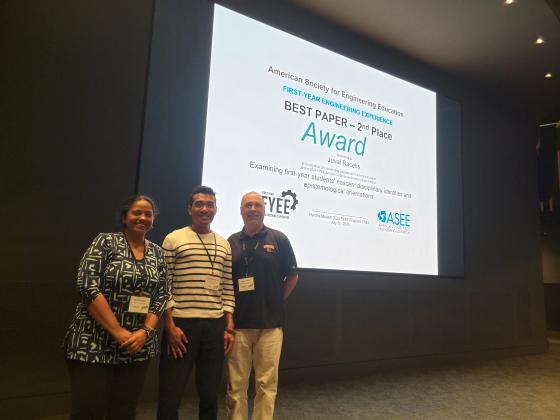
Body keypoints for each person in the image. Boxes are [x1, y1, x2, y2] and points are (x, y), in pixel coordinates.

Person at [64, 195, 169, 420]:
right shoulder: (105, 242)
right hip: (93, 343)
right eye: (136, 213)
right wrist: (117, 331)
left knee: (124, 412)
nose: (142, 217)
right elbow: (87, 285)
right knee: (87, 412)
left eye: (148, 214)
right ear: (124, 217)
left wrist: (145, 332)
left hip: (136, 346)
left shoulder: (158, 253)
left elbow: (161, 295)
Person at [157, 186, 235, 420]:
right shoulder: (173, 238)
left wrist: (228, 325)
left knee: (210, 393)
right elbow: (164, 284)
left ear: (216, 209)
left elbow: (227, 287)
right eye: (199, 204)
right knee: (171, 392)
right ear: (189, 209)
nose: (205, 209)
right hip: (181, 325)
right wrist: (169, 326)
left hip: (214, 326)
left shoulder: (224, 244)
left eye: (210, 204)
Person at [226, 192, 298, 420]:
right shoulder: (231, 242)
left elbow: (292, 276)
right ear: (241, 210)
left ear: (264, 210)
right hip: (239, 325)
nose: (253, 209)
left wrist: (276, 300)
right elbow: (225, 281)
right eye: (248, 205)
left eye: (257, 205)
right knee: (236, 386)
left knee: (266, 385)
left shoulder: (279, 239)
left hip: (271, 326)